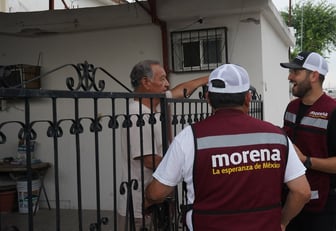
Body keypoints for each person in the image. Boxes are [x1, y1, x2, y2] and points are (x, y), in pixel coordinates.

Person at [145, 63, 311, 231]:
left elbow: (156, 193)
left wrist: (145, 198)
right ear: (248, 97)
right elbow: (302, 192)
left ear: (208, 98)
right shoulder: (276, 136)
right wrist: (282, 221)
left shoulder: (189, 138)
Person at [118, 60, 208, 230]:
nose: (167, 84)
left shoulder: (155, 103)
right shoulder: (137, 115)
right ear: (146, 82)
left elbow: (180, 91)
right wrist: (187, 167)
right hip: (141, 206)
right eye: (163, 79)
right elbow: (149, 160)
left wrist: (208, 78)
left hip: (157, 199)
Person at [280, 51, 336, 231]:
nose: (290, 77)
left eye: (296, 72)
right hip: (290, 201)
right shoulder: (291, 107)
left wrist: (306, 160)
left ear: (314, 76)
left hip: (320, 208)